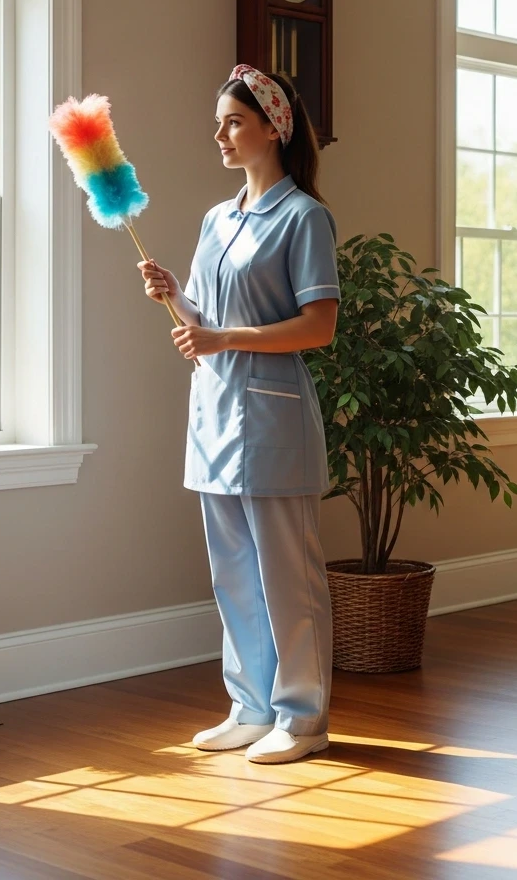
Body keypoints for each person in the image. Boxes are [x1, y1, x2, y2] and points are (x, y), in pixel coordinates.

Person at [138, 65, 339, 765]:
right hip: (215, 415)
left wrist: (221, 337)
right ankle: (250, 707)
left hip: (275, 419)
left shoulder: (304, 217)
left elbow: (318, 325)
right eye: (219, 122)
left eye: (233, 121)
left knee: (289, 576)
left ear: (273, 127)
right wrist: (174, 295)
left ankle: (303, 717)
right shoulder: (216, 220)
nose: (220, 134)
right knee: (233, 576)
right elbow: (201, 318)